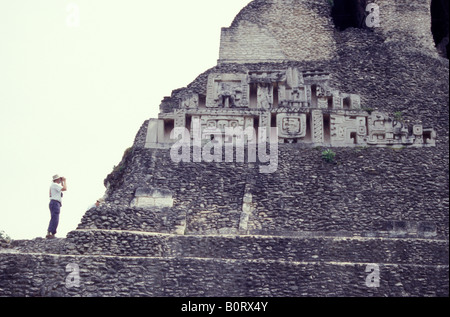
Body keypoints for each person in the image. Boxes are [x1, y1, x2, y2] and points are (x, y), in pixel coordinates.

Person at [47, 174, 67, 239]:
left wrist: (62, 182)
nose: (60, 180)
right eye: (59, 179)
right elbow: (65, 188)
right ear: (56, 179)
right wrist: (65, 181)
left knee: (54, 218)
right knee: (55, 218)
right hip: (55, 203)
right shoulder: (55, 185)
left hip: (54, 203)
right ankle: (50, 232)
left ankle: (51, 232)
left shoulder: (53, 185)